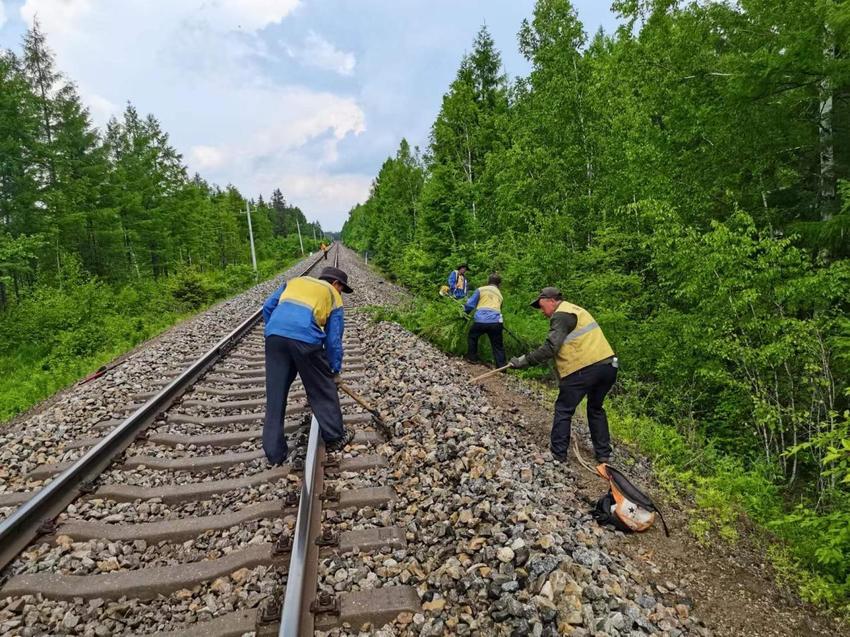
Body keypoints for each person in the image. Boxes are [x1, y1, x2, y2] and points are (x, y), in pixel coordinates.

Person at [510, 287, 618, 464]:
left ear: (551, 300)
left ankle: (558, 454)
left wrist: (523, 361)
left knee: (564, 408)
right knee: (595, 408)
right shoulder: (576, 310)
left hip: (584, 368)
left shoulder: (561, 315)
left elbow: (551, 347)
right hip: (607, 366)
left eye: (541, 305)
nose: (542, 311)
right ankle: (603, 454)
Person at [261, 266, 355, 464]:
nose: (341, 293)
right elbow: (333, 339)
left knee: (275, 394)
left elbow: (268, 306)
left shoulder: (294, 281)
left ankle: (274, 453)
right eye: (342, 289)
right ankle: (335, 436)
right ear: (336, 284)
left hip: (275, 337)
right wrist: (334, 369)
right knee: (322, 388)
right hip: (305, 339)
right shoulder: (332, 295)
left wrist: (275, 329)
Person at [464, 273, 506, 368]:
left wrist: (465, 313)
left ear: (488, 281)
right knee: (498, 346)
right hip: (496, 322)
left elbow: (470, 304)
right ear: (499, 285)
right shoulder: (500, 295)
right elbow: (499, 309)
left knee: (472, 336)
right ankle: (501, 367)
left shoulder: (481, 289)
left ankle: (472, 358)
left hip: (481, 321)